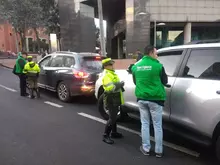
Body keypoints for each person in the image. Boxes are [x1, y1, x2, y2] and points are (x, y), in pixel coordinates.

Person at [131, 45, 168, 158]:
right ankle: (158, 151)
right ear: (151, 52)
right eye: (156, 53)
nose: (157, 55)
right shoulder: (158, 66)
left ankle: (146, 148)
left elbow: (135, 82)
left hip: (142, 99)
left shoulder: (136, 67)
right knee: (157, 125)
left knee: (145, 124)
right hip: (156, 99)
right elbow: (165, 81)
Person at [101, 58, 125, 144]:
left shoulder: (112, 73)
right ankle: (105, 135)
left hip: (115, 98)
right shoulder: (107, 75)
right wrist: (119, 84)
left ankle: (114, 132)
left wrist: (119, 84)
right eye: (110, 65)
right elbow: (109, 88)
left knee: (114, 115)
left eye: (112, 64)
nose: (112, 66)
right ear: (106, 66)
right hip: (111, 98)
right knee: (112, 117)